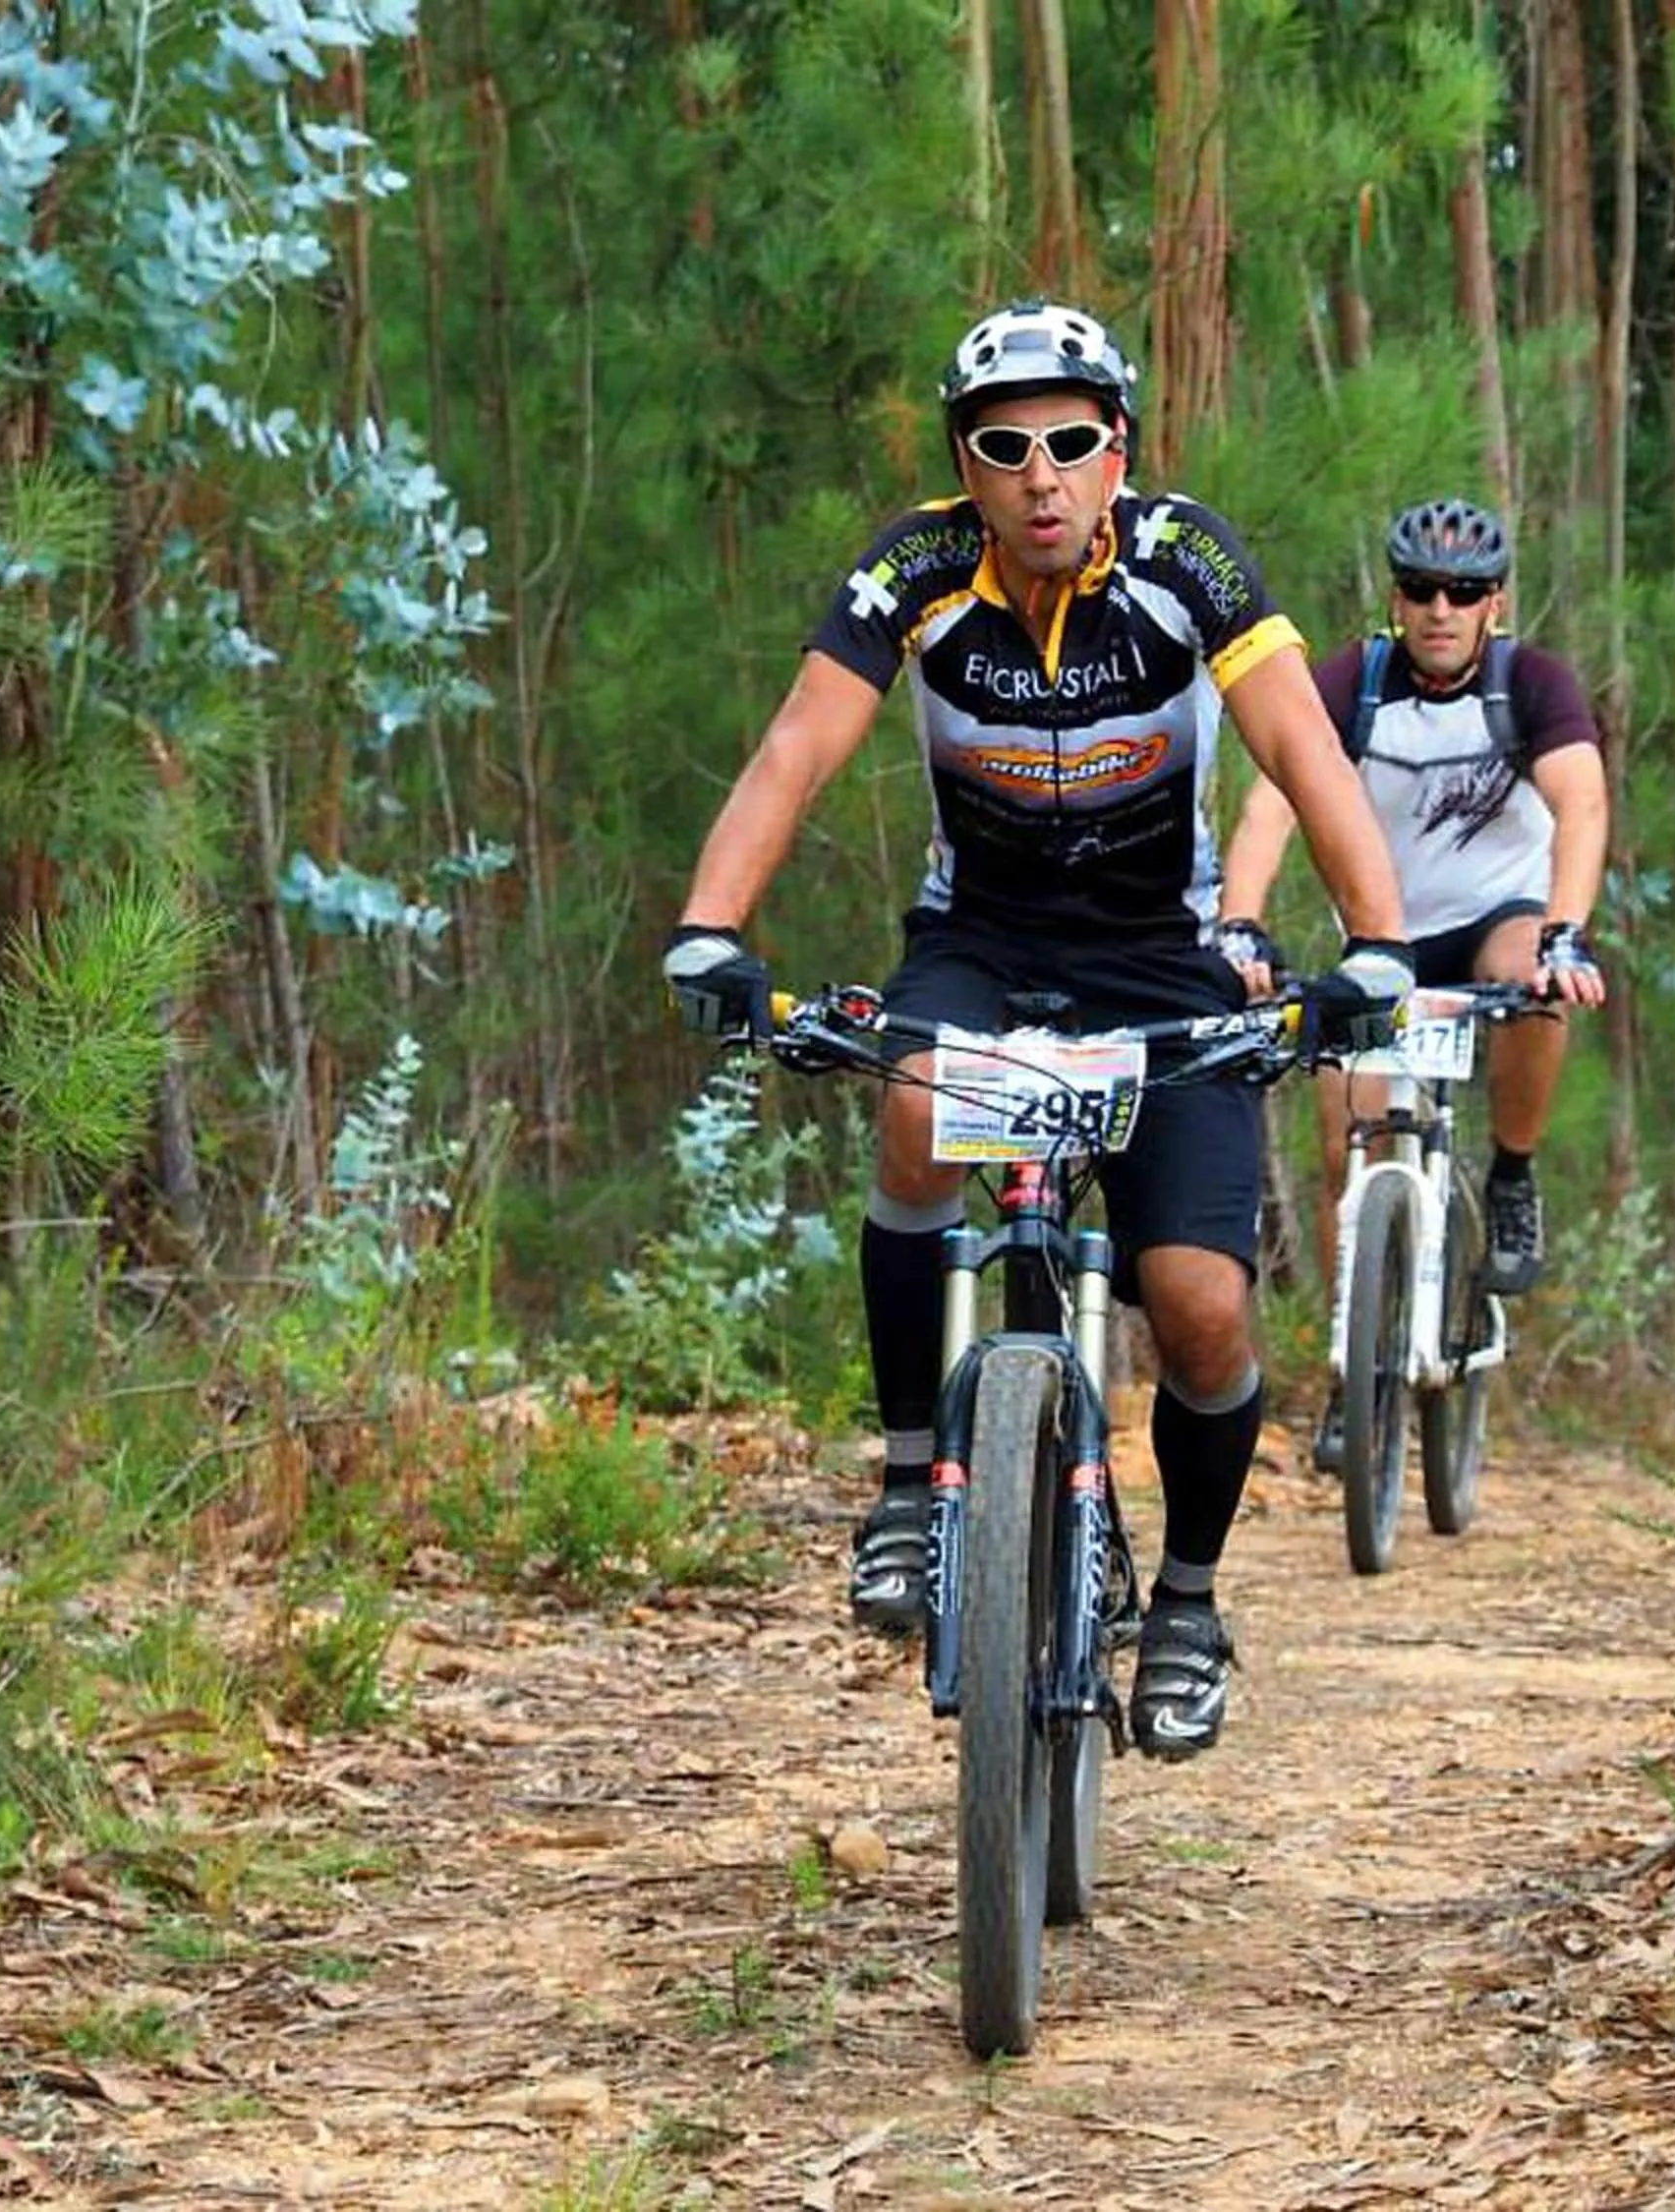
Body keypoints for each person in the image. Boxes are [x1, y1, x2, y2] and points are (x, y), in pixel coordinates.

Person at [662, 300, 1413, 1759]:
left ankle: (1187, 1602)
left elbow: (1301, 751)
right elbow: (796, 748)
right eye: (1005, 448)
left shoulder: (1189, 563)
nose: (1041, 474)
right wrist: (712, 926)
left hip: (1161, 961)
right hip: (985, 946)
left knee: (1198, 1308)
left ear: (1115, 452)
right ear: (969, 464)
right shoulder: (919, 567)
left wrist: (1374, 945)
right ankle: (899, 1483)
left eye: (1072, 442)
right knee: (912, 1101)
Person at [1215, 497, 1609, 1470]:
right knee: (1346, 1131)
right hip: (1384, 937)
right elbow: (1273, 803)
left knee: (1532, 980)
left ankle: (1512, 1173)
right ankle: (1361, 1373)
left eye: (1465, 592)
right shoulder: (1352, 682)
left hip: (1496, 921)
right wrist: (1238, 922)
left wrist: (1566, 933)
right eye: (1423, 590)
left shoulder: (1534, 685)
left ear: (1494, 603)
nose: (1442, 608)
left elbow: (1582, 800)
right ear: (1397, 598)